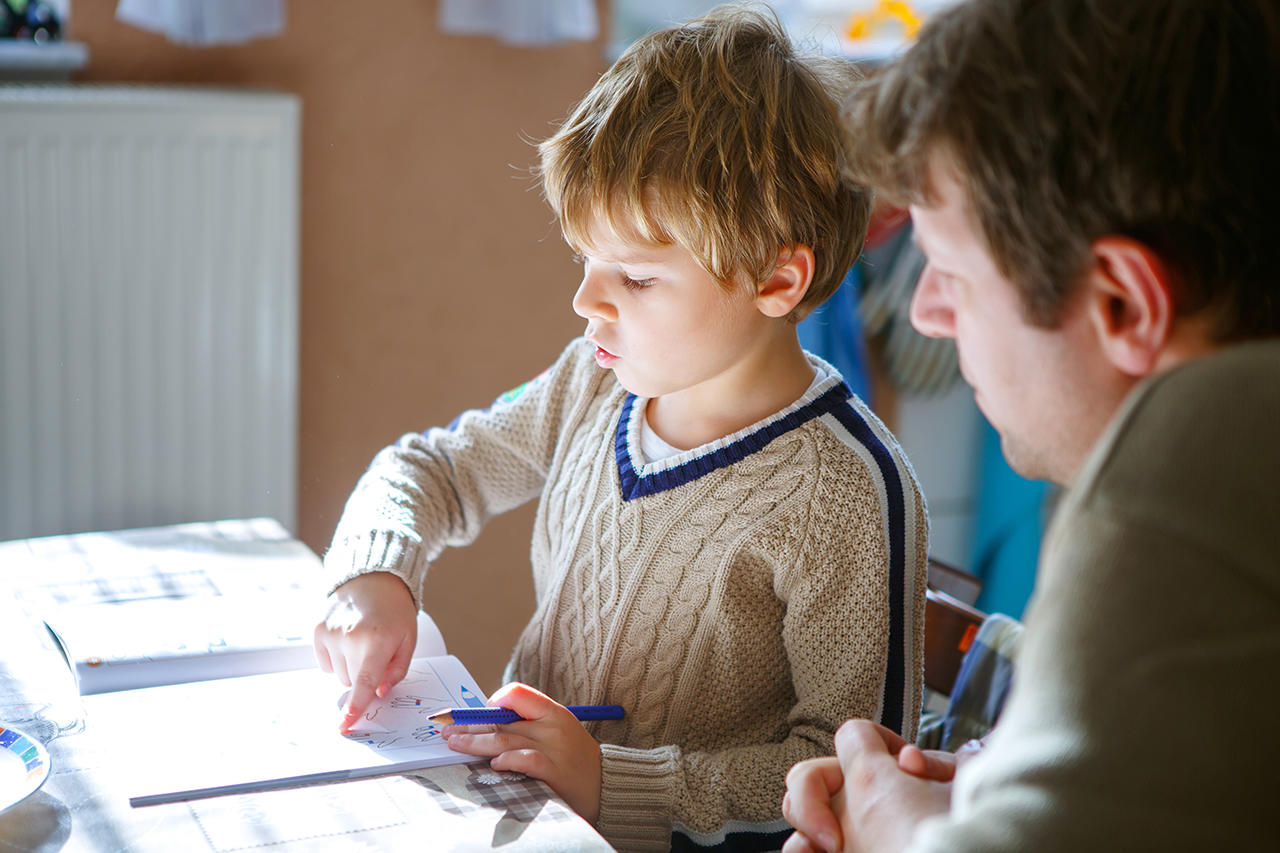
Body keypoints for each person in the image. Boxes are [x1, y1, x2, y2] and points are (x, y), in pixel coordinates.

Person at [315, 6, 929, 850]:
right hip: (524, 821)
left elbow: (853, 775)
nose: (585, 302)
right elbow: (431, 468)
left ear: (779, 279)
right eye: (585, 259)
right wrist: (374, 574)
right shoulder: (594, 380)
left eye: (635, 279)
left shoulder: (848, 492)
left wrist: (614, 780)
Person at [782, 0, 1280, 850]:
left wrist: (889, 819)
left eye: (949, 270)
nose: (931, 313)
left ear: (1124, 301)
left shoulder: (1197, 446)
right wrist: (1006, 784)